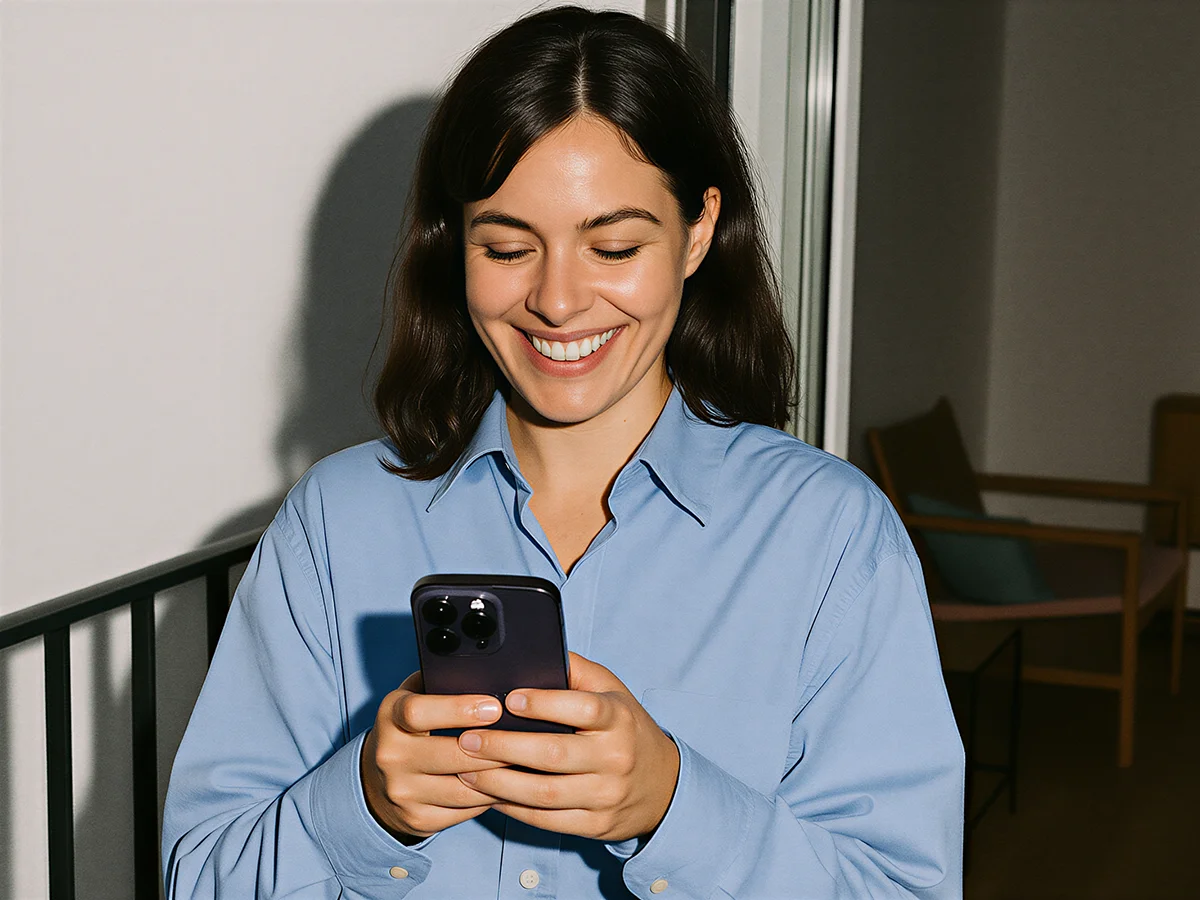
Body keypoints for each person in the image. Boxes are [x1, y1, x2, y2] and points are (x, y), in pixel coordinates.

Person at [162, 7, 964, 898]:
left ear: (698, 232)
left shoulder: (832, 538)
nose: (557, 300)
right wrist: (359, 804)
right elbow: (202, 878)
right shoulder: (334, 521)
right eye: (506, 247)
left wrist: (673, 804)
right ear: (453, 244)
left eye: (614, 246)